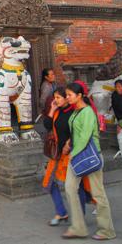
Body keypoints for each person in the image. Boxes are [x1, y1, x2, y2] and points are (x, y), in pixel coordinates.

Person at [62, 82, 116, 240]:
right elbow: (75, 134)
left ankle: (107, 230)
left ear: (79, 96)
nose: (67, 98)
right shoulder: (75, 112)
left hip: (89, 155)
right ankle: (78, 227)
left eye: (69, 95)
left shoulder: (87, 112)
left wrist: (72, 155)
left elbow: (85, 137)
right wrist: (69, 144)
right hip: (77, 154)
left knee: (98, 193)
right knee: (70, 188)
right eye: (66, 95)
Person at [42, 87, 89, 226]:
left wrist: (69, 144)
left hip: (72, 154)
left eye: (58, 98)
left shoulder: (74, 113)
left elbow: (79, 133)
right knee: (50, 183)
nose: (55, 100)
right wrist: (51, 109)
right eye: (54, 98)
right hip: (57, 154)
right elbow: (47, 125)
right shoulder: (57, 111)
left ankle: (80, 217)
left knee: (77, 186)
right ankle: (61, 212)